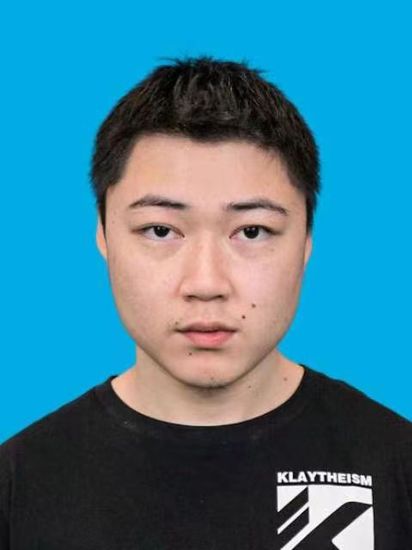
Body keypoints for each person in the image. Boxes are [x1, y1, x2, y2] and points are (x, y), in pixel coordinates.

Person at [0, 56, 411, 550]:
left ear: (306, 241)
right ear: (103, 235)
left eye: (252, 231)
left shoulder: (395, 465)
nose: (206, 283)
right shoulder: (21, 483)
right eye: (160, 230)